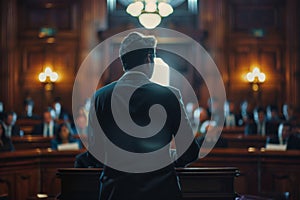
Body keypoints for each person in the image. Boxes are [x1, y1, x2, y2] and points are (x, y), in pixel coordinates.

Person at [88, 32, 200, 200]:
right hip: (161, 190)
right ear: (149, 59)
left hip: (115, 191)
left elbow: (94, 153)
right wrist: (165, 162)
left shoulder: (101, 97)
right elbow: (189, 152)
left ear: (124, 62)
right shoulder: (170, 95)